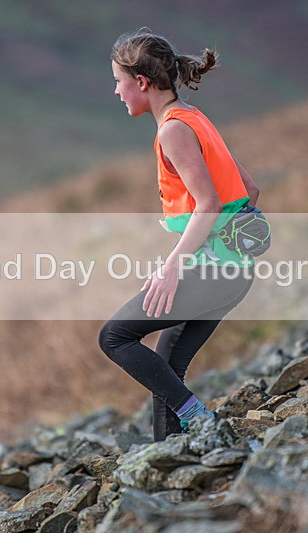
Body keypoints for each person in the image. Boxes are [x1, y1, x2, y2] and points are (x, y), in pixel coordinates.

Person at [98, 29, 261, 441]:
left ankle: (200, 419)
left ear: (141, 82)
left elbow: (208, 204)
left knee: (114, 337)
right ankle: (170, 456)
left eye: (118, 81)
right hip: (234, 271)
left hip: (215, 271)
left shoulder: (172, 131)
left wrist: (172, 267)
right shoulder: (194, 117)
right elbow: (250, 190)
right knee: (166, 369)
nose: (115, 91)